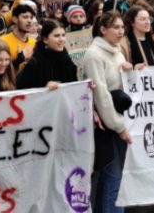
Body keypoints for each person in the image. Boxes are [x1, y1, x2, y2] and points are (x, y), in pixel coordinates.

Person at [83, 11, 133, 213]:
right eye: (116, 27)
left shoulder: (118, 51)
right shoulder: (94, 54)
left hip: (118, 119)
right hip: (105, 125)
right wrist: (118, 126)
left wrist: (130, 70)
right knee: (112, 176)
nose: (121, 31)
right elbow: (101, 94)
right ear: (103, 30)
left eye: (122, 27)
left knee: (113, 176)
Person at [16, 19, 78, 89]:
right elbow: (24, 91)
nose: (61, 39)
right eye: (56, 36)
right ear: (45, 39)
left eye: (63, 35)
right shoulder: (35, 64)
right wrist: (44, 88)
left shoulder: (67, 60)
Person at [0, 4, 37, 71]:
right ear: (15, 19)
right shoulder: (3, 42)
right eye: (25, 17)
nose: (29, 21)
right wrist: (20, 59)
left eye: (31, 18)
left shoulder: (34, 43)